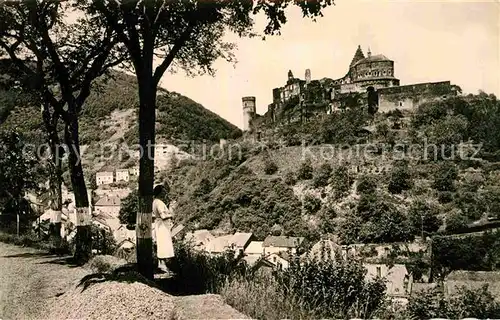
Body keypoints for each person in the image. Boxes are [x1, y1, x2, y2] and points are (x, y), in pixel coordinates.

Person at [152, 184, 175, 272]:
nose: (164, 193)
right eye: (163, 191)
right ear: (160, 192)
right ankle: (163, 264)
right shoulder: (159, 203)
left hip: (158, 224)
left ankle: (161, 263)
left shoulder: (155, 201)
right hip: (162, 225)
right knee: (164, 244)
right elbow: (163, 215)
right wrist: (171, 214)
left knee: (161, 243)